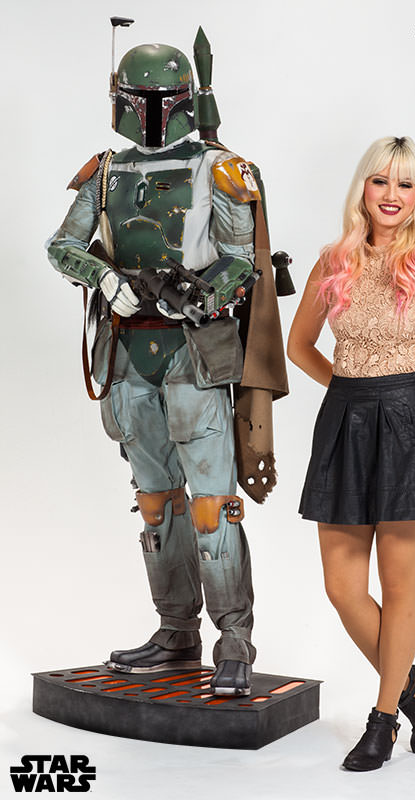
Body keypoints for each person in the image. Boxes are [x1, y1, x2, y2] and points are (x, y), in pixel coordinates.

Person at [46, 39, 288, 696]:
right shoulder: (105, 172)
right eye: (140, 100)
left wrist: (200, 295)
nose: (150, 111)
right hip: (128, 355)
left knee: (211, 506)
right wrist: (103, 276)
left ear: (183, 101)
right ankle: (176, 630)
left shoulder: (221, 168)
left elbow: (243, 260)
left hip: (194, 353)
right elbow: (62, 245)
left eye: (161, 100)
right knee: (156, 503)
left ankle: (233, 640)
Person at [287, 136, 415, 770]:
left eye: (405, 184)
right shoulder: (333, 260)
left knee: (399, 586)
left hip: (409, 426)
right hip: (344, 422)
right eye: (380, 181)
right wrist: (349, 391)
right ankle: (413, 686)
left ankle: (384, 719)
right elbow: (298, 346)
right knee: (342, 587)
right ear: (362, 189)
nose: (392, 195)